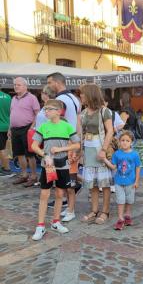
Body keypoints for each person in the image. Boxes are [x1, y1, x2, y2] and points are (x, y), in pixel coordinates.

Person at [31, 99, 80, 241]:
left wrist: (61, 149)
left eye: (49, 109)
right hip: (48, 166)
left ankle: (56, 222)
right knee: (44, 195)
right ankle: (40, 226)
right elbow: (34, 145)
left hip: (63, 165)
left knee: (60, 194)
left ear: (59, 111)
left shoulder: (67, 127)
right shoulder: (43, 127)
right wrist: (45, 155)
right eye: (45, 109)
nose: (45, 111)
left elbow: (77, 144)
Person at [47, 72, 81, 221]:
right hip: (72, 141)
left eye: (49, 83)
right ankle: (68, 207)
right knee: (66, 178)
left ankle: (70, 210)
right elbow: (78, 121)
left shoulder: (60, 99)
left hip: (64, 143)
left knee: (67, 179)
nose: (49, 86)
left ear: (56, 82)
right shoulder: (75, 98)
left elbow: (57, 122)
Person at [80, 84, 114, 224]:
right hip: (88, 150)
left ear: (90, 94)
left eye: (82, 94)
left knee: (104, 184)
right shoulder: (83, 113)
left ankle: (105, 211)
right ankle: (94, 210)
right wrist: (78, 152)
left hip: (100, 149)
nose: (80, 96)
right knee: (93, 184)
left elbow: (110, 131)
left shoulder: (104, 111)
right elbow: (80, 133)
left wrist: (104, 150)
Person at [103, 130, 141, 230]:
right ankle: (120, 218)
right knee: (120, 200)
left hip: (131, 183)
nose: (124, 142)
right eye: (122, 140)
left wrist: (137, 181)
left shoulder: (135, 155)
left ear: (131, 142)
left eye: (127, 141)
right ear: (119, 141)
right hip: (119, 182)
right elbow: (113, 167)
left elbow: (138, 167)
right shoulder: (117, 154)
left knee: (129, 200)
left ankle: (127, 215)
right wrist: (104, 159)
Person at [10, 77, 40, 187]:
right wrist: (10, 128)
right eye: (15, 85)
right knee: (19, 153)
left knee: (30, 154)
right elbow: (12, 114)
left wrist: (31, 128)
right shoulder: (13, 98)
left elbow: (38, 113)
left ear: (25, 86)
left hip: (27, 128)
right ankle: (24, 175)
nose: (16, 86)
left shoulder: (32, 98)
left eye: (18, 85)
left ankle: (33, 176)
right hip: (15, 129)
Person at [0, 88, 13, 177]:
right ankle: (5, 168)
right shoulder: (8, 97)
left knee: (2, 149)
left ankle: (6, 169)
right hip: (7, 126)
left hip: (1, 126)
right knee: (5, 148)